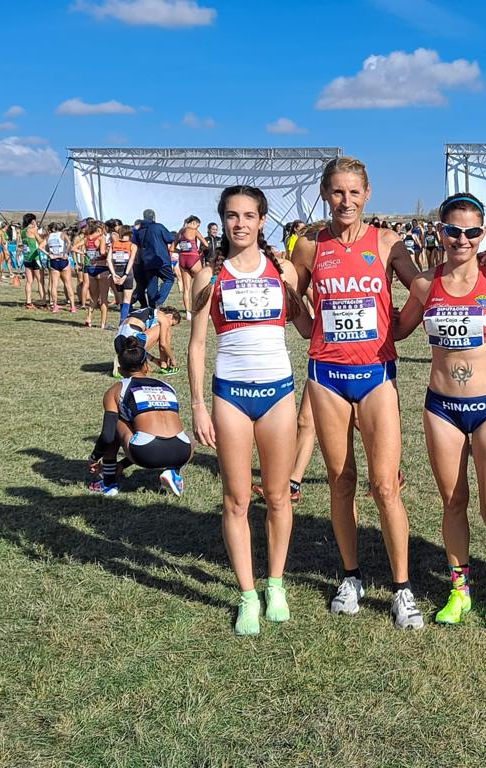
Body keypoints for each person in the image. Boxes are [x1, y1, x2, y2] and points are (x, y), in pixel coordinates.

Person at [290, 156, 426, 630]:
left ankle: (403, 588)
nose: (346, 201)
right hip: (326, 373)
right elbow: (293, 292)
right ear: (326, 194)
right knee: (340, 480)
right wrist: (307, 325)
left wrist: (401, 328)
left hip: (376, 375)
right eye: (337, 192)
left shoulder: (386, 242)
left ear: (367, 194)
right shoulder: (310, 245)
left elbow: (421, 288)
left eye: (354, 192)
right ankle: (351, 576)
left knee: (385, 486)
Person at [394, 193, 486, 630]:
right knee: (453, 503)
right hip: (442, 407)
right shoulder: (424, 285)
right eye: (453, 230)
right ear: (441, 231)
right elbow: (396, 330)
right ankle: (460, 591)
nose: (462, 239)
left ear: (483, 234)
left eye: (471, 231)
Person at [188, 185, 309, 636]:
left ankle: (275, 584)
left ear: (263, 221)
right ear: (223, 220)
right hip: (229, 396)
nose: (241, 223)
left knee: (278, 496)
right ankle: (247, 594)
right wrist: (199, 404)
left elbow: (308, 328)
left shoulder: (283, 271)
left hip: (278, 393)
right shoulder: (208, 277)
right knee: (237, 499)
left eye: (250, 215)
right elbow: (197, 346)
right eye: (233, 215)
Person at [88, 336, 194, 497]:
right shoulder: (168, 387)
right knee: (187, 436)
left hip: (147, 453)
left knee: (116, 420)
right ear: (146, 366)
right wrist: (123, 465)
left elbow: (108, 436)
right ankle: (173, 471)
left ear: (121, 370)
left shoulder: (116, 389)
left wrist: (94, 457)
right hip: (182, 451)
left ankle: (109, 484)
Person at [116, 306, 181, 375]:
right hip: (132, 341)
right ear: (170, 316)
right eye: (172, 324)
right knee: (164, 331)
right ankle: (164, 366)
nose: (170, 326)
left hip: (118, 344)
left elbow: (134, 344)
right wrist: (172, 358)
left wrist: (153, 360)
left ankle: (123, 365)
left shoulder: (145, 312)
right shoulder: (164, 319)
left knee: (146, 368)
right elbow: (163, 344)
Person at [132, 209, 176, 308]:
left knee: (152, 285)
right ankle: (158, 301)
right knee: (169, 279)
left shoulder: (139, 231)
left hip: (146, 261)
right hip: (161, 259)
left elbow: (135, 245)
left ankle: (151, 308)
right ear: (154, 217)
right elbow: (170, 238)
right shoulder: (159, 227)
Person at [173, 215, 207, 320]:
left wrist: (181, 251)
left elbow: (171, 248)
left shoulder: (180, 231)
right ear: (194, 223)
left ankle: (188, 313)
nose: (197, 228)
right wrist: (199, 251)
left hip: (183, 259)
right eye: (197, 225)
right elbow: (205, 244)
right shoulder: (194, 231)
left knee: (186, 288)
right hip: (194, 258)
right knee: (202, 284)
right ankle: (202, 310)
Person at [82, 222, 111, 329]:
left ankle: (89, 318)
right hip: (102, 267)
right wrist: (109, 251)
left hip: (90, 268)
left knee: (94, 297)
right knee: (104, 298)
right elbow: (102, 251)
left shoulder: (87, 238)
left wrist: (85, 254)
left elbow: (75, 248)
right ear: (99, 229)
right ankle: (103, 324)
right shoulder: (101, 238)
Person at [45, 222, 77, 313]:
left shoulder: (49, 236)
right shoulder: (63, 234)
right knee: (68, 284)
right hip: (63, 260)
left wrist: (49, 254)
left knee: (54, 285)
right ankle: (73, 307)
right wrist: (66, 253)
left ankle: (55, 306)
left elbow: (42, 247)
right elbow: (70, 242)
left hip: (53, 261)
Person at [109, 225, 138, 324]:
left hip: (116, 272)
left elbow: (109, 260)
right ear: (130, 234)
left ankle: (122, 319)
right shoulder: (132, 246)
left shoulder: (113, 244)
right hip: (127, 273)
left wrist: (113, 274)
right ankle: (123, 321)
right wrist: (125, 275)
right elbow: (131, 261)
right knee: (127, 300)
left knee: (121, 299)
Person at [20, 214, 45, 308]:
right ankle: (43, 301)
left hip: (26, 258)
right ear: (32, 221)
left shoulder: (22, 231)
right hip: (35, 258)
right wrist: (38, 233)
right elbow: (40, 241)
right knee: (40, 281)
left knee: (29, 281)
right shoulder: (32, 230)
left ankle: (28, 301)